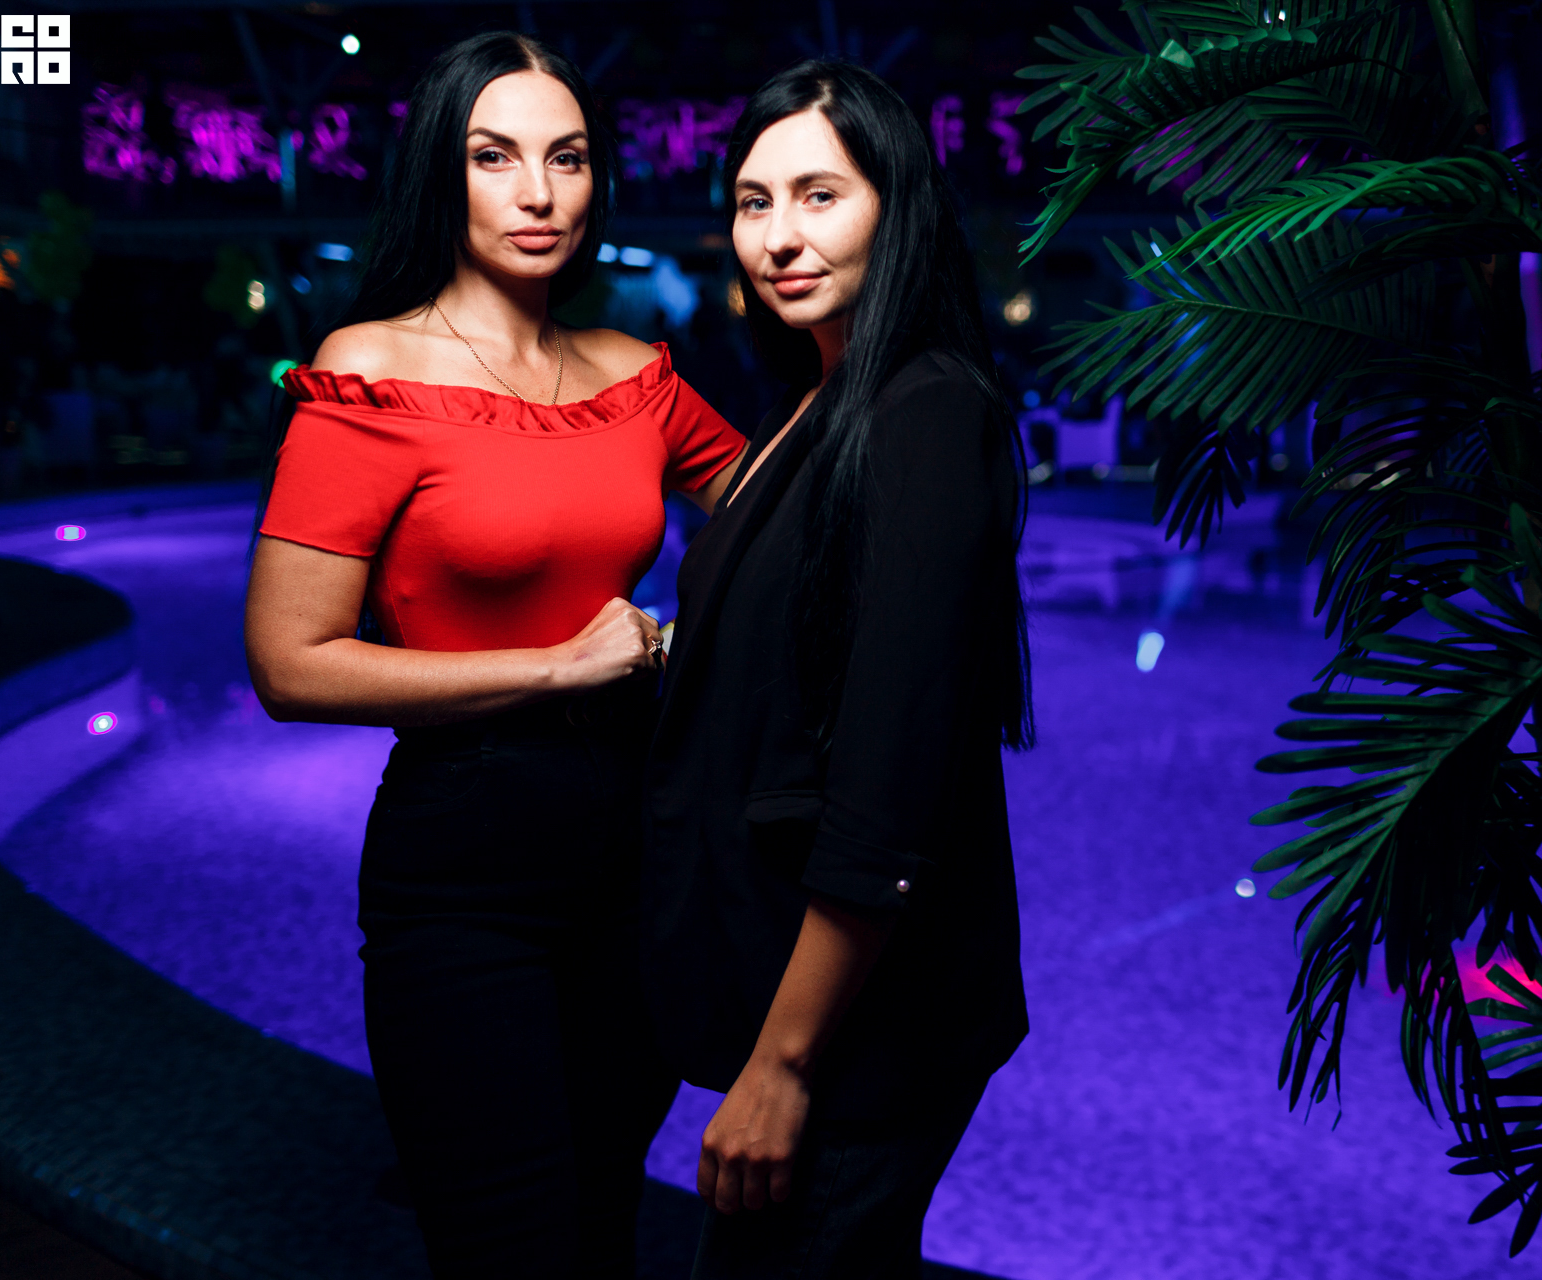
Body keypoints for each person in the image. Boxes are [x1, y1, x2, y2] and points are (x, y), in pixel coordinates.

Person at [242, 32, 744, 1277]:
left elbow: (791, 529)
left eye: (566, 158)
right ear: (442, 172)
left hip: (640, 857)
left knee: (604, 1229)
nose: (538, 192)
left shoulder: (633, 375)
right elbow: (290, 663)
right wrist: (559, 665)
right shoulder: (372, 370)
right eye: (495, 156)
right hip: (468, 876)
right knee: (508, 1251)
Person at [643, 60, 1033, 1277]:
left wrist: (784, 1061)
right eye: (753, 202)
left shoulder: (928, 410)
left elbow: (892, 777)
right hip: (802, 991)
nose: (778, 236)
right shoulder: (814, 402)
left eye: (819, 195)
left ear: (895, 204)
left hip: (859, 1031)